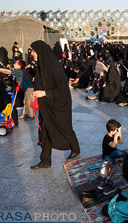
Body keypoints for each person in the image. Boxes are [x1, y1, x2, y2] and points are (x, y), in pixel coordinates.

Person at [29, 40, 80, 169]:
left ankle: (75, 149)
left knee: (65, 128)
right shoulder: (40, 66)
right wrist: (36, 92)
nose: (32, 54)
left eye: (34, 51)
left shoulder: (54, 67)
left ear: (41, 52)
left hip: (58, 104)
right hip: (45, 105)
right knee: (44, 130)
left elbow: (62, 89)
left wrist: (44, 93)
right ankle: (45, 160)